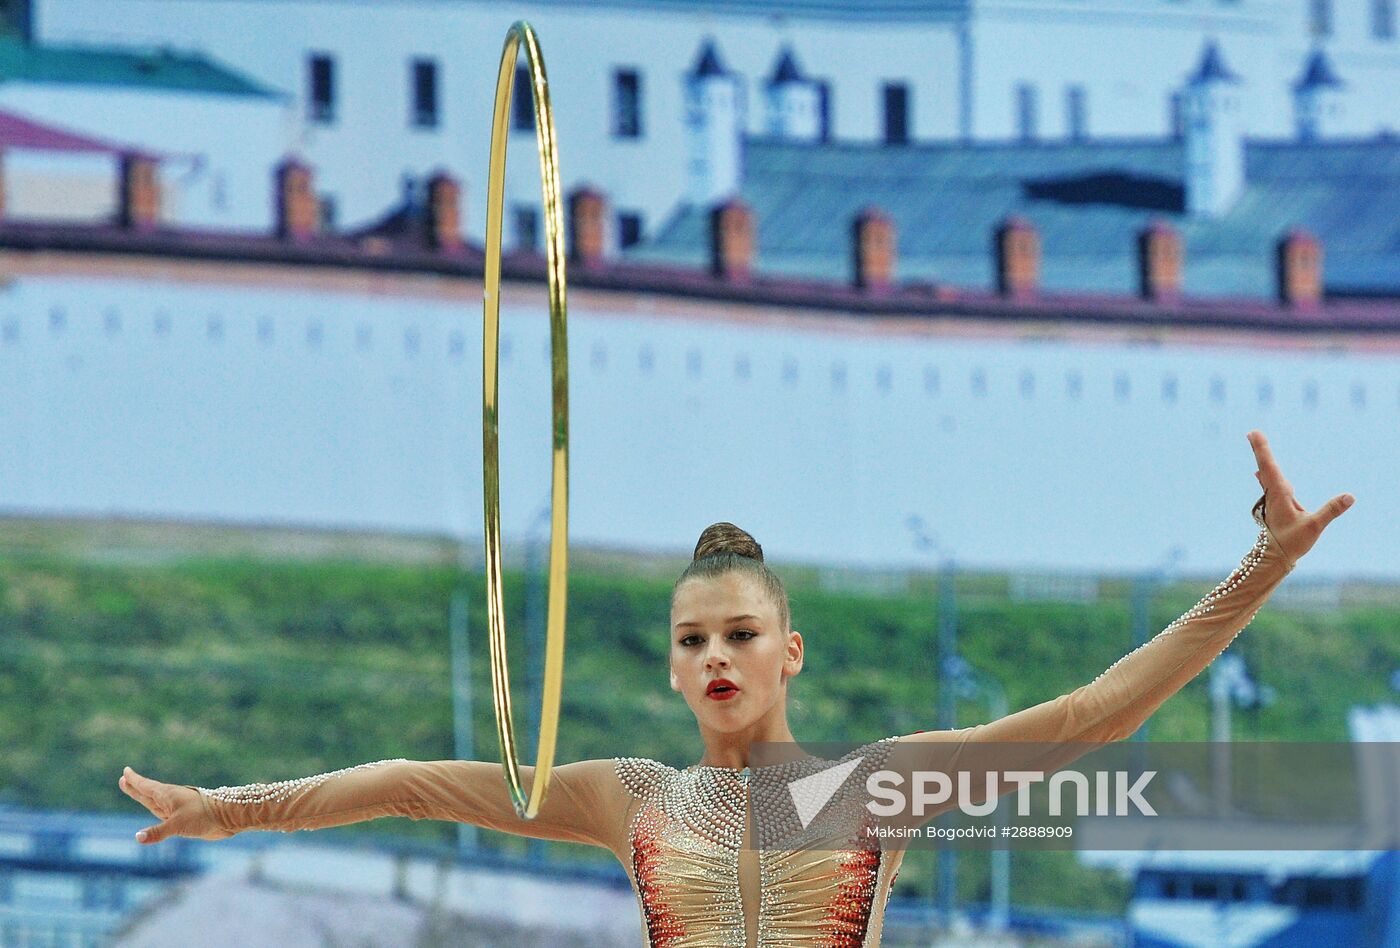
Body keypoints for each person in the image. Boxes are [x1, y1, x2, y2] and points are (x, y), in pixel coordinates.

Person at [119, 430, 1353, 946]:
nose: (715, 658)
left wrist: (1259, 565)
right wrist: (234, 809)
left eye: (739, 635)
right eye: (692, 639)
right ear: (671, 664)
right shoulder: (625, 796)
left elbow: (1100, 714)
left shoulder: (881, 783)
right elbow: (403, 784)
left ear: (788, 650)